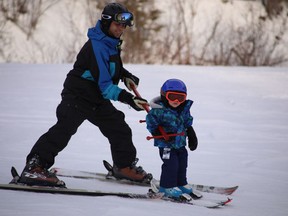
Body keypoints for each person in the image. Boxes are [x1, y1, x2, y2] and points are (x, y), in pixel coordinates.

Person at [17, 3, 151, 187]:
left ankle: (123, 166)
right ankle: (34, 167)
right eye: (117, 25)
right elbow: (105, 84)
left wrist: (123, 74)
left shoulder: (109, 41)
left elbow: (106, 68)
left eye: (124, 26)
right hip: (78, 95)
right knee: (64, 129)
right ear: (106, 22)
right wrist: (129, 99)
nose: (121, 29)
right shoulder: (97, 45)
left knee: (119, 128)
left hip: (96, 97)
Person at [145, 79, 198, 199]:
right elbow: (150, 121)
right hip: (166, 145)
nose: (176, 101)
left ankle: (180, 183)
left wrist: (191, 133)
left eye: (180, 98)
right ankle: (167, 186)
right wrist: (157, 131)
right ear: (164, 95)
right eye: (172, 96)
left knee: (182, 163)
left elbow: (187, 122)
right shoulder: (159, 110)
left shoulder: (183, 109)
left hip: (180, 143)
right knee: (171, 165)